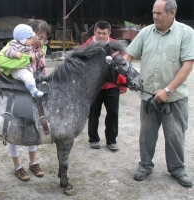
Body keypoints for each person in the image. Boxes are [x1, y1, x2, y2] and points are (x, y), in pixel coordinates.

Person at [123, 0, 194, 187]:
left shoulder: (186, 33)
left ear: (172, 13)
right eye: (153, 13)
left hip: (174, 98)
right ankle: (145, 166)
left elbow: (187, 66)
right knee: (147, 134)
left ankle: (177, 169)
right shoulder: (145, 33)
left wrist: (168, 90)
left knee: (175, 134)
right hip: (149, 96)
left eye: (159, 13)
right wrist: (123, 72)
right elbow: (129, 55)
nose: (155, 16)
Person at [0, 19, 51, 181]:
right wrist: (28, 59)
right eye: (39, 37)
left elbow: (42, 66)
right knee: (15, 124)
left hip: (35, 84)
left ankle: (33, 162)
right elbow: (1, 60)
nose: (41, 42)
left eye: (44, 38)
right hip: (16, 87)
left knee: (33, 123)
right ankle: (17, 166)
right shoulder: (13, 45)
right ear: (31, 35)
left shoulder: (42, 48)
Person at [81, 21, 127, 151]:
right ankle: (93, 139)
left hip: (112, 86)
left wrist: (123, 85)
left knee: (113, 113)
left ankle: (111, 140)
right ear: (94, 32)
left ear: (109, 33)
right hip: (94, 88)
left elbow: (122, 66)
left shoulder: (115, 46)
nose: (101, 36)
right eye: (99, 33)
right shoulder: (86, 47)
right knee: (94, 113)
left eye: (104, 34)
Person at [3, 23, 43, 98]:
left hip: (27, 69)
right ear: (22, 39)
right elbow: (6, 52)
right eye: (29, 38)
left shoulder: (28, 47)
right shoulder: (14, 45)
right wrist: (15, 54)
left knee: (32, 76)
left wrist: (39, 54)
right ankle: (33, 90)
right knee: (27, 77)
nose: (32, 40)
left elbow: (33, 58)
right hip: (18, 69)